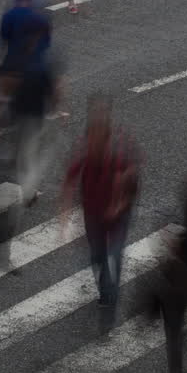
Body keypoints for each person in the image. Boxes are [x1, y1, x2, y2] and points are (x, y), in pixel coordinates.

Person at [62, 97, 140, 319]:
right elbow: (69, 180)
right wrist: (65, 218)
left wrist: (119, 205)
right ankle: (107, 291)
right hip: (93, 212)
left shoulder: (121, 145)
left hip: (119, 214)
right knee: (97, 256)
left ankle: (110, 299)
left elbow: (133, 180)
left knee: (114, 253)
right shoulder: (83, 147)